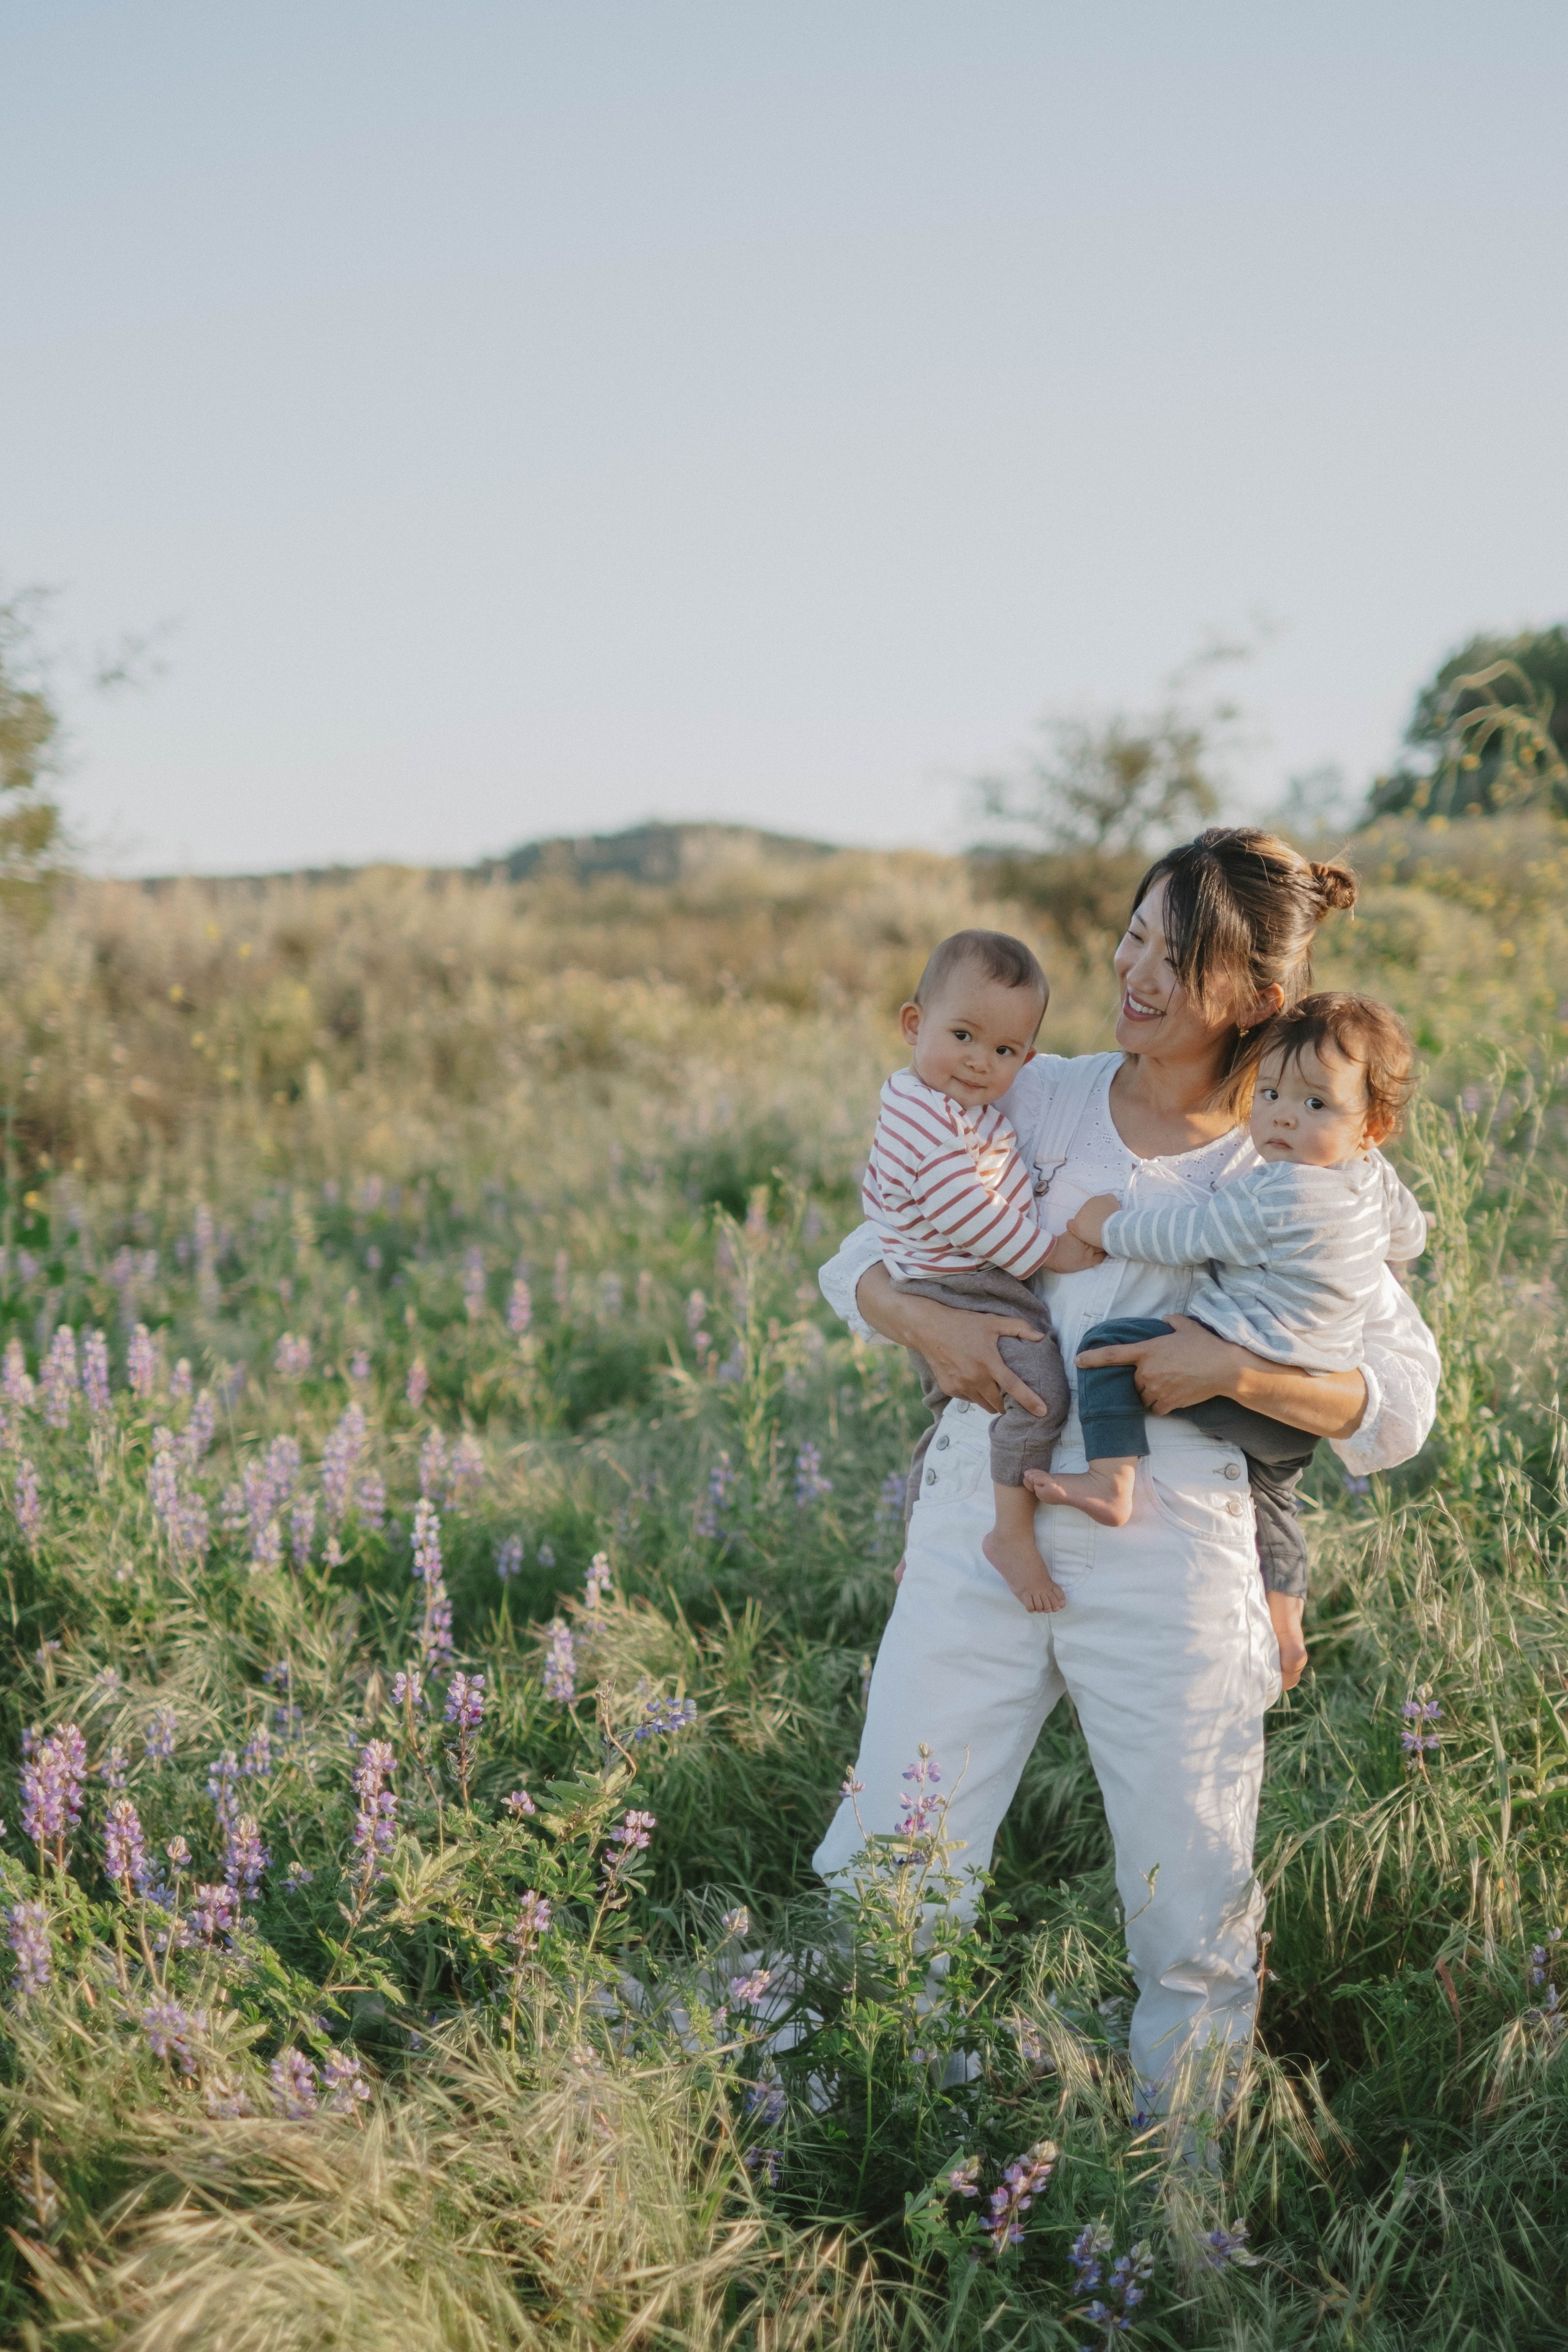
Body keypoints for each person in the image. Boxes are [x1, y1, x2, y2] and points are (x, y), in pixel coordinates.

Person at [813, 828, 1440, 2116]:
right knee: (896, 1850)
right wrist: (928, 1327)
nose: (1132, 972)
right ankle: (874, 2150)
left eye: (1175, 959)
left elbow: (1394, 1407)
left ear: (1254, 1004)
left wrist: (1230, 1371)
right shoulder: (1039, 1091)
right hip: (982, 1512)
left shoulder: (1305, 1157)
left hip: (1176, 1540)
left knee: (1188, 1899)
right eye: (1134, 938)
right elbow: (859, 1255)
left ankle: (1178, 2210)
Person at [1030, 991, 1426, 1639]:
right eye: (1268, 1094)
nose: (1282, 1118)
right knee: (1273, 1498)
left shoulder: (1276, 1190)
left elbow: (1186, 1235)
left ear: (1370, 1126)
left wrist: (1108, 1224)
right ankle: (1286, 1612)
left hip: (1242, 1374)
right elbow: (1408, 1236)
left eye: (1315, 1103)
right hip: (1301, 1406)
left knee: (1111, 1346)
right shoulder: (1372, 1177)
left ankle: (1109, 1477)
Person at [862, 927, 1070, 1613]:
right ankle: (1010, 1534)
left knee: (947, 1419)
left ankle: (917, 1538)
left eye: (1004, 1050)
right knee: (1040, 1388)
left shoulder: (947, 1105)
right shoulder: (924, 1118)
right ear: (913, 1024)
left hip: (947, 1274)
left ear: (1027, 1058)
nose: (981, 1062)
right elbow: (965, 1214)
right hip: (957, 1278)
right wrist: (1045, 1252)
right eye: (963, 1037)